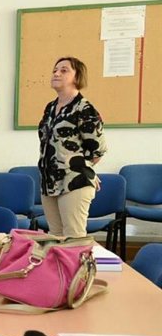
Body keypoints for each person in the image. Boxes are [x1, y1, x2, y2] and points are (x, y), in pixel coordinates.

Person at [38, 56, 107, 238]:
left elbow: (98, 149)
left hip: (74, 182)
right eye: (55, 70)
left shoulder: (84, 109)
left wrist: (84, 168)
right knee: (55, 236)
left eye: (64, 70)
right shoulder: (50, 107)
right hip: (49, 181)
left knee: (73, 237)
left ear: (77, 77)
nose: (56, 73)